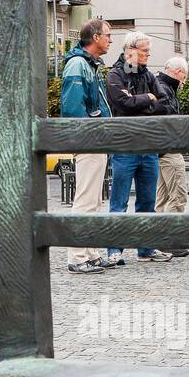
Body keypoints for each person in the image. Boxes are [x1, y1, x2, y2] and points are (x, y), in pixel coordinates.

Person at [105, 31, 171, 264]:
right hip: (124, 146)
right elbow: (122, 103)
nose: (149, 54)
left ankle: (147, 248)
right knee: (118, 202)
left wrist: (140, 101)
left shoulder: (149, 75)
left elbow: (165, 104)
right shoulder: (115, 74)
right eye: (145, 51)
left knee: (147, 203)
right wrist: (149, 98)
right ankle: (114, 251)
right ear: (131, 50)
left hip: (149, 147)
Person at [60, 19, 113, 273]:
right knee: (85, 199)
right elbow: (72, 108)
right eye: (107, 35)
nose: (110, 40)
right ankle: (78, 257)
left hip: (95, 138)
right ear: (94, 37)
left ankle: (90, 253)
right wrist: (84, 136)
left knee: (93, 200)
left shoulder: (88, 65)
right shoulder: (78, 65)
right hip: (89, 138)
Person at [153, 54, 189, 257]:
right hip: (169, 148)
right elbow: (170, 120)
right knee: (178, 192)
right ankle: (169, 240)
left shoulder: (159, 85)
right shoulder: (166, 89)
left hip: (159, 150)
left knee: (162, 196)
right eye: (184, 77)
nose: (184, 82)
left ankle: (157, 238)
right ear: (179, 73)